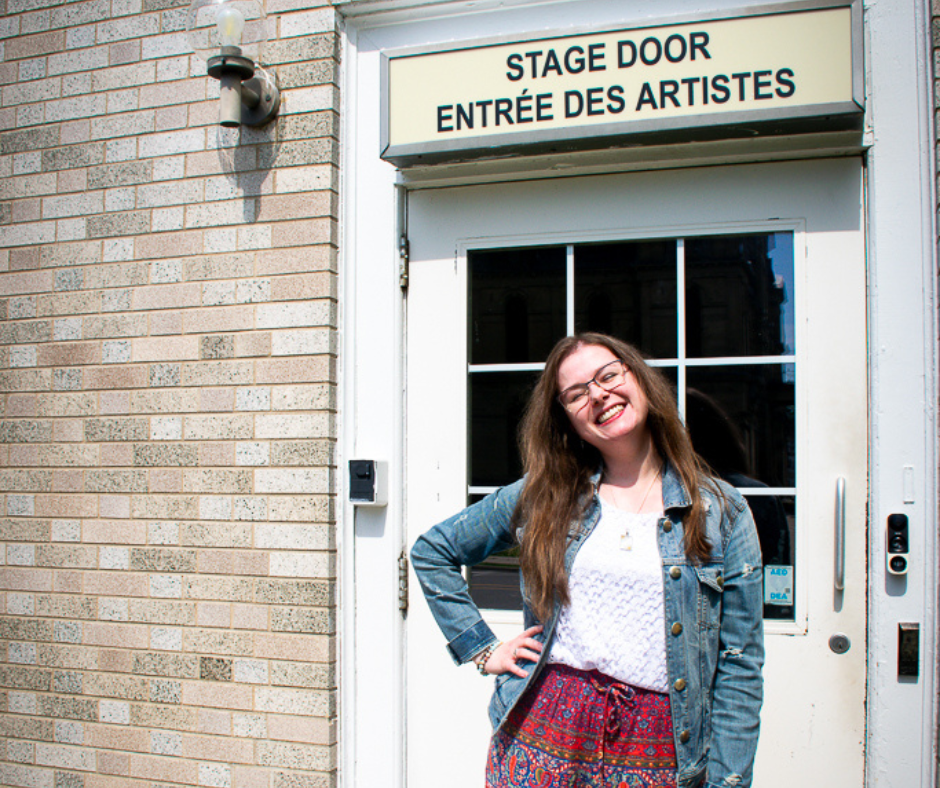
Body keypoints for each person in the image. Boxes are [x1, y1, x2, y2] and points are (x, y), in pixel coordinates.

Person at [411, 332, 764, 788]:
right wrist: (483, 650)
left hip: (660, 752)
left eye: (608, 375)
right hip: (541, 737)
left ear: (638, 378)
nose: (598, 394)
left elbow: (740, 665)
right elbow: (433, 551)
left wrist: (728, 782)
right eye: (577, 394)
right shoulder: (547, 493)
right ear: (567, 420)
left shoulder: (721, 511)